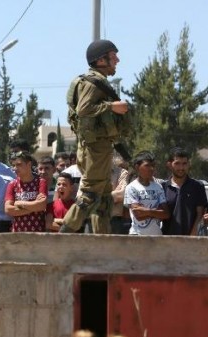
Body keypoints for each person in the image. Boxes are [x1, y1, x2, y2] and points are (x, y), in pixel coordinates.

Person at [60, 39, 129, 234]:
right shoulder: (94, 82)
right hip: (95, 148)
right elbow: (84, 109)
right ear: (101, 60)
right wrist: (112, 106)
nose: (117, 60)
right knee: (90, 195)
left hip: (98, 147)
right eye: (113, 56)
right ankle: (62, 235)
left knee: (104, 199)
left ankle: (103, 242)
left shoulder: (96, 80)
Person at [161, 147, 208, 236]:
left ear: (189, 164)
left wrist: (191, 237)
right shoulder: (163, 187)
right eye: (177, 163)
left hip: (191, 241)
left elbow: (200, 214)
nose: (181, 167)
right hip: (166, 241)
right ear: (169, 164)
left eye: (184, 163)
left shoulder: (197, 186)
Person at [124, 152, 170, 235]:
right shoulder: (131, 187)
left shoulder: (158, 187)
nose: (151, 168)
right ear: (137, 167)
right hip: (137, 234)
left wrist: (146, 211)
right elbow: (138, 215)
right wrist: (156, 212)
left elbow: (166, 214)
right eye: (147, 165)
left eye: (153, 166)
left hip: (156, 235)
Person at [4, 151, 48, 232]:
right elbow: (8, 209)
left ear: (29, 164)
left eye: (19, 165)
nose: (15, 168)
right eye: (13, 165)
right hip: (18, 233)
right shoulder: (12, 184)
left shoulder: (41, 182)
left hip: (37, 232)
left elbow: (42, 205)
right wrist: (34, 207)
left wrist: (19, 203)